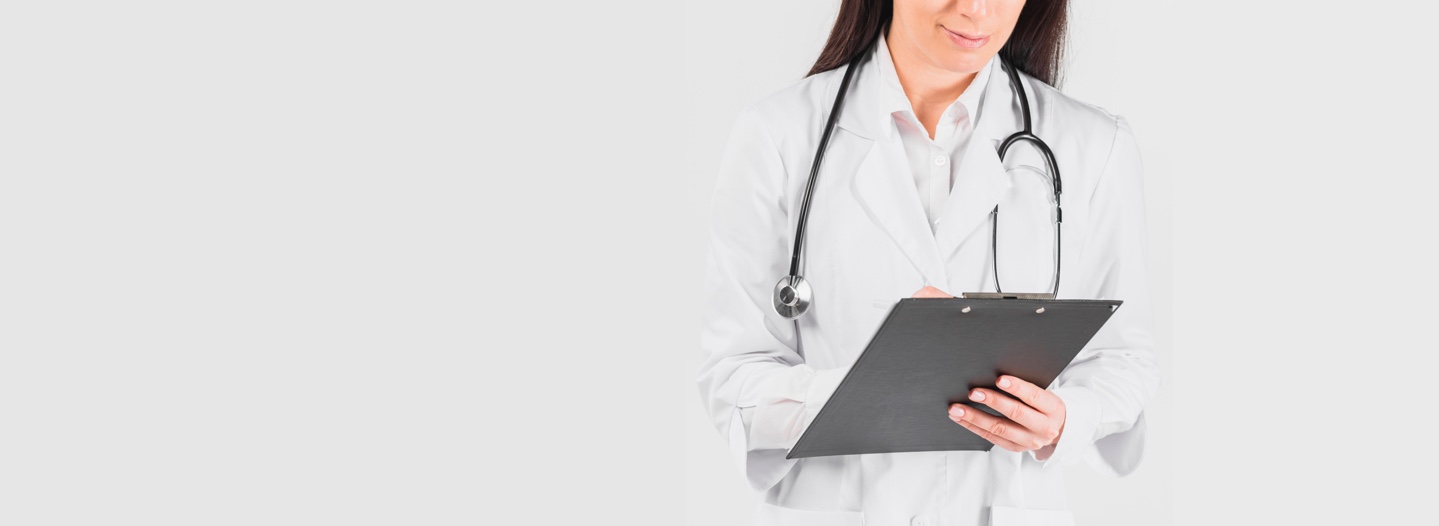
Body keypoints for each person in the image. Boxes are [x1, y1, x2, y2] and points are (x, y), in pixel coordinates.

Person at [696, 0, 1159, 524]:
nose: (977, 9)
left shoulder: (1093, 145)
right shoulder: (777, 136)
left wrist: (1066, 419)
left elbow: (1125, 361)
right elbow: (732, 375)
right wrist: (875, 385)